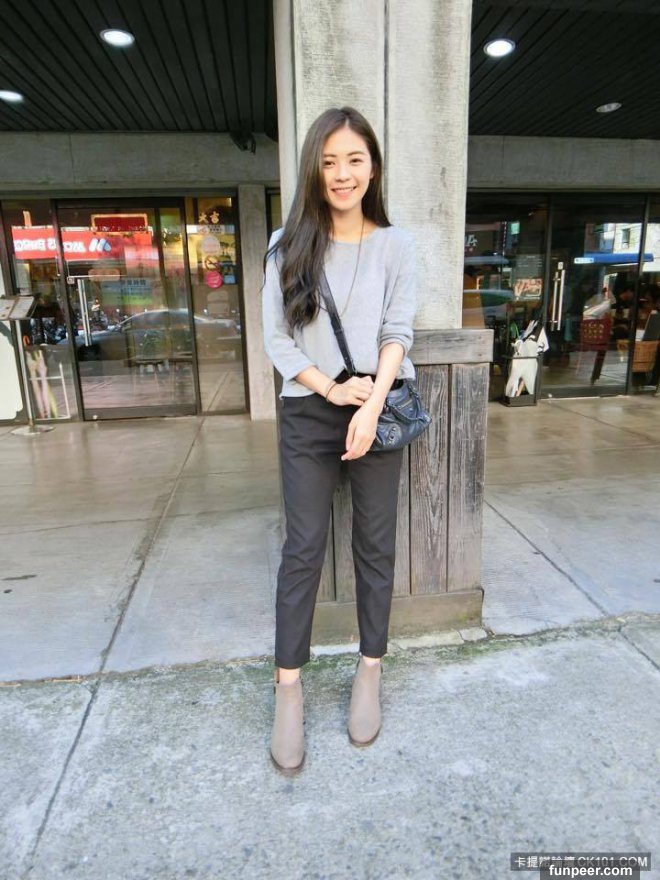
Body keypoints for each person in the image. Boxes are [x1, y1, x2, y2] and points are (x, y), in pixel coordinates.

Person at [261, 106, 418, 774]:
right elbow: (276, 340)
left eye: (354, 159)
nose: (342, 173)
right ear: (313, 170)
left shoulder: (396, 245)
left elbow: (398, 331)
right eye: (328, 162)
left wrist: (370, 402)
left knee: (375, 545)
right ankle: (288, 689)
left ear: (372, 167)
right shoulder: (287, 243)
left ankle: (369, 670)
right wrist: (332, 391)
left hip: (378, 409)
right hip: (310, 410)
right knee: (303, 549)